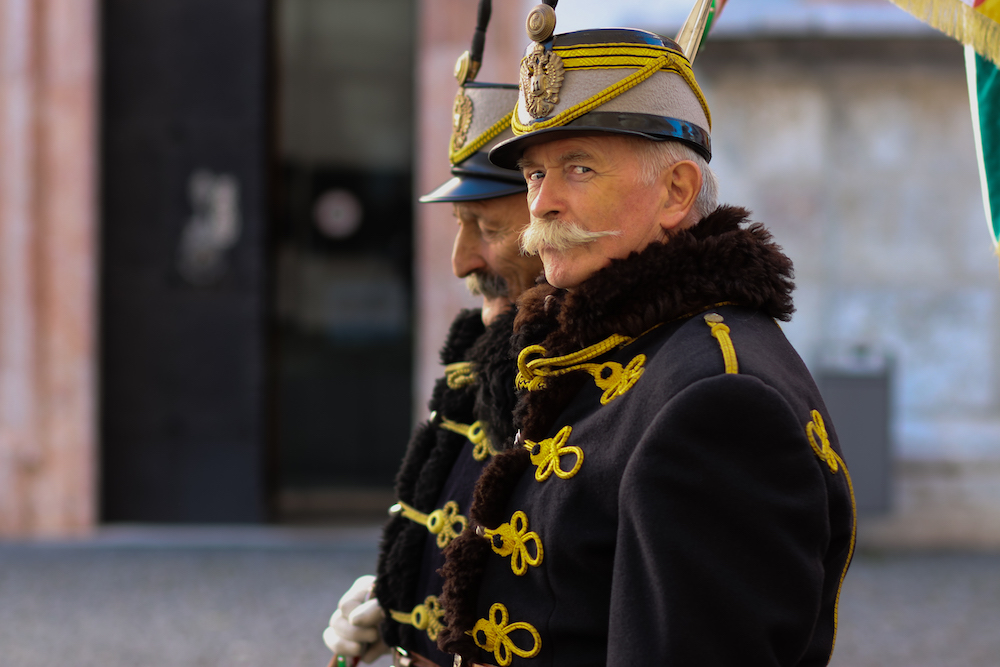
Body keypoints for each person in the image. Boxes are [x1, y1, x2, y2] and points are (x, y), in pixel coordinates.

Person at [438, 9, 856, 667]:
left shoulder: (718, 399)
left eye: (578, 168)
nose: (541, 203)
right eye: (534, 174)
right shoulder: (598, 345)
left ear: (676, 190)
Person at [322, 72, 543, 667]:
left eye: (490, 229)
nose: (460, 262)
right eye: (460, 225)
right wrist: (398, 600)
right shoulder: (484, 357)